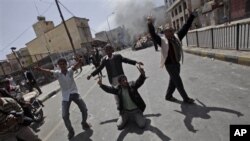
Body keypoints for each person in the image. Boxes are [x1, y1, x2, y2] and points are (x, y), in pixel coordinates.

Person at [147, 10, 198, 104]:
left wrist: (191, 16)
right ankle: (186, 99)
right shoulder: (162, 41)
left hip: (177, 64)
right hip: (169, 65)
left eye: (171, 30)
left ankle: (168, 95)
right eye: (168, 31)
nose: (171, 32)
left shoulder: (177, 37)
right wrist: (150, 24)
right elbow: (153, 34)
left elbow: (185, 27)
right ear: (165, 32)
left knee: (173, 81)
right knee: (178, 81)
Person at [35, 58, 91, 139]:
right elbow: (49, 71)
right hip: (65, 96)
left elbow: (76, 65)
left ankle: (84, 122)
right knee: (65, 116)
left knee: (84, 109)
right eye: (60, 64)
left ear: (66, 64)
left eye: (63, 64)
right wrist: (40, 69)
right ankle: (71, 131)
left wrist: (79, 61)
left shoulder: (70, 71)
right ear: (58, 66)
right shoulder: (57, 73)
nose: (62, 66)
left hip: (74, 93)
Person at [87, 44, 144, 109]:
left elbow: (126, 60)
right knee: (116, 93)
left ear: (112, 50)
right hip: (113, 79)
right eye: (106, 50)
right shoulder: (105, 60)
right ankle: (119, 107)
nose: (108, 51)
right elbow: (99, 68)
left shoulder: (118, 56)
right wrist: (91, 75)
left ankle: (131, 105)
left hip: (121, 78)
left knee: (126, 91)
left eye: (109, 49)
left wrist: (136, 62)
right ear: (105, 51)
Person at [97, 66, 147, 130]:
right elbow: (109, 89)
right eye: (123, 80)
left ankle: (139, 116)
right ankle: (126, 117)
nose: (125, 81)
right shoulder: (119, 89)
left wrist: (142, 74)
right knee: (119, 126)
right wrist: (101, 85)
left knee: (142, 125)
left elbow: (139, 82)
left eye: (126, 79)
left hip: (136, 111)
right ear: (120, 83)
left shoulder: (132, 86)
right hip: (125, 112)